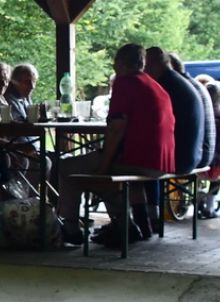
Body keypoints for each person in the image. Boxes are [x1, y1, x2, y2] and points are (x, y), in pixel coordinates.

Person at [56, 44, 175, 246]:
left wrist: (103, 166)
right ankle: (125, 226)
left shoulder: (125, 83)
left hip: (138, 159)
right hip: (162, 161)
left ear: (121, 63)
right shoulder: (155, 86)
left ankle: (71, 228)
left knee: (67, 168)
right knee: (104, 174)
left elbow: (116, 129)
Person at [147, 47, 206, 175]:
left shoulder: (165, 86)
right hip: (192, 155)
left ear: (154, 66)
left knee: (113, 163)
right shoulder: (177, 82)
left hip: (179, 159)